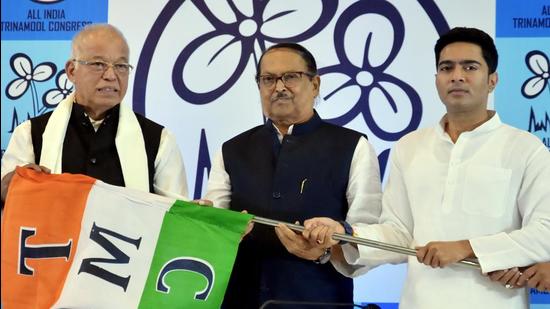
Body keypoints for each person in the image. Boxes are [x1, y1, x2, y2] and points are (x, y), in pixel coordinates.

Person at [303, 27, 550, 308]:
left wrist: (465, 248)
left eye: (470, 67)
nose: (457, 75)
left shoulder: (526, 149)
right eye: (447, 67)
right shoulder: (410, 147)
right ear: (436, 79)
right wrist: (343, 233)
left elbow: (544, 233)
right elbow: (399, 232)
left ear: (492, 80)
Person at [205, 42, 382, 308]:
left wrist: (325, 252)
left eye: (290, 77)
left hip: (319, 301)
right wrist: (209, 224)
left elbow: (368, 237)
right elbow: (214, 229)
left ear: (315, 84)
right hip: (239, 299)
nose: (279, 87)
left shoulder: (353, 146)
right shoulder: (231, 150)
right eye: (268, 79)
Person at [1, 24, 188, 203]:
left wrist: (196, 216)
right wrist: (7, 191)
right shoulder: (31, 134)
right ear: (72, 71)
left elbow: (176, 217)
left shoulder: (159, 141)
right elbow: (10, 210)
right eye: (99, 64)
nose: (111, 75)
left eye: (121, 66)